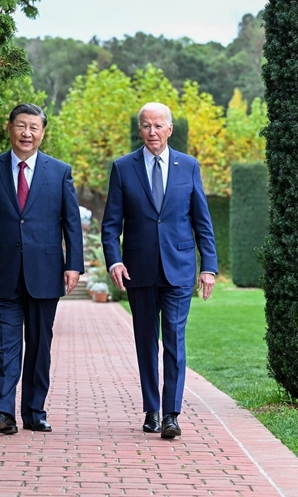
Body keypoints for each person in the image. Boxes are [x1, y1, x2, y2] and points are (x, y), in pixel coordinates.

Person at [101, 102, 217, 439]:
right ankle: (151, 410)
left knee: (175, 342)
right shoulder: (123, 168)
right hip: (138, 270)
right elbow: (111, 225)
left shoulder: (188, 166)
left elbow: (202, 223)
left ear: (169, 129)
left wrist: (208, 267)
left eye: (158, 126)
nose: (152, 132)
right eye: (146, 126)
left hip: (179, 270)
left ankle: (171, 414)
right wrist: (114, 260)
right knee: (146, 342)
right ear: (140, 130)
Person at [0, 103, 84, 434]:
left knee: (38, 345)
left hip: (45, 272)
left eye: (34, 127)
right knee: (5, 344)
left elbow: (71, 223)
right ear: (10, 128)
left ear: (42, 133)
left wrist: (73, 265)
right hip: (1, 272)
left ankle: (34, 411)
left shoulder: (59, 171)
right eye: (21, 126)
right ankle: (3, 412)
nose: (27, 133)